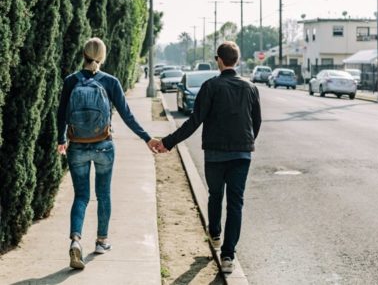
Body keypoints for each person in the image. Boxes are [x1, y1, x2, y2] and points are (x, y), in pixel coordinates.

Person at [157, 41, 261, 273]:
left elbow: (195, 122)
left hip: (215, 154)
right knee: (236, 204)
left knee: (215, 195)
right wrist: (246, 143)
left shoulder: (210, 86)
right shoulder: (251, 88)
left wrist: (167, 142)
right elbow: (257, 123)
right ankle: (227, 257)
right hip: (242, 155)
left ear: (219, 60)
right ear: (237, 60)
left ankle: (214, 234)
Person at [57, 37, 159, 269]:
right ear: (102, 57)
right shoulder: (110, 82)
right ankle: (102, 241)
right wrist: (146, 138)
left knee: (81, 196)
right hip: (103, 145)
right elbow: (127, 115)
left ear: (83, 55)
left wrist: (61, 139)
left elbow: (61, 113)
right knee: (103, 194)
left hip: (78, 146)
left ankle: (75, 240)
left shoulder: (71, 81)